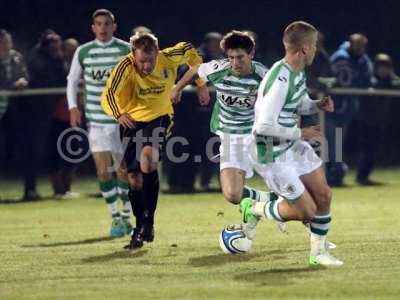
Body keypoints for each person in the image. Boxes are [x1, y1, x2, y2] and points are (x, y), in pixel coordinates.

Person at [240, 21, 343, 266]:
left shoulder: (297, 71)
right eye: (315, 45)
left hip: (290, 145)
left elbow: (299, 103)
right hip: (271, 153)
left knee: (324, 195)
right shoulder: (280, 79)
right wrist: (301, 133)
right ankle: (256, 208)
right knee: (305, 211)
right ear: (305, 48)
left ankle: (318, 254)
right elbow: (262, 127)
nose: (317, 49)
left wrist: (316, 105)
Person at [101, 31, 207, 249]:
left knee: (148, 158)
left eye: (150, 61)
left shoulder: (167, 57)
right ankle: (139, 228)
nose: (147, 66)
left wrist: (200, 84)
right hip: (130, 120)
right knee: (134, 179)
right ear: (133, 55)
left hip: (159, 116)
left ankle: (148, 221)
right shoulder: (125, 66)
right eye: (142, 61)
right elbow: (109, 94)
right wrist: (118, 114)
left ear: (157, 53)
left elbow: (190, 50)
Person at [172, 31, 276, 236]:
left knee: (285, 187)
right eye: (231, 57)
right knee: (232, 195)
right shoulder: (219, 69)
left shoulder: (265, 76)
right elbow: (195, 70)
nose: (235, 62)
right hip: (230, 137)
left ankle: (309, 220)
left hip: (260, 137)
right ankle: (258, 205)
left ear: (251, 54)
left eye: (240, 57)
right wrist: (178, 88)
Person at [67, 9, 132, 237]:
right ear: (93, 28)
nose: (103, 28)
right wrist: (73, 107)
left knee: (123, 170)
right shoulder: (84, 51)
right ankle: (116, 218)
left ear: (114, 26)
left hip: (121, 120)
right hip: (96, 120)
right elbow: (72, 80)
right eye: (98, 24)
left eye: (107, 23)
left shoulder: (125, 50)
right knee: (103, 171)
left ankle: (125, 213)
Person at [326, 33, 373, 186]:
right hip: (331, 109)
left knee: (337, 145)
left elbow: (367, 79)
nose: (360, 49)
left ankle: (334, 175)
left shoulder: (363, 60)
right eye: (358, 46)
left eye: (362, 46)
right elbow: (345, 81)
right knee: (333, 146)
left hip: (345, 111)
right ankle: (336, 172)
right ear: (351, 44)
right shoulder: (341, 57)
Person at [356, 53, 400, 185]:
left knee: (374, 150)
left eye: (386, 66)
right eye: (381, 66)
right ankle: (361, 176)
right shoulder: (370, 80)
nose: (383, 69)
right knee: (367, 149)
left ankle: (365, 176)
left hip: (381, 120)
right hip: (367, 121)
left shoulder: (391, 81)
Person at [48, 38, 80, 198]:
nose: (73, 52)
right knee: (56, 152)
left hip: (74, 117)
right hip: (57, 116)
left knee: (73, 152)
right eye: (69, 49)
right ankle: (57, 189)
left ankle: (67, 188)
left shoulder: (81, 65)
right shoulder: (57, 65)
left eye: (75, 49)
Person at [0, 29, 29, 175]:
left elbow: (25, 75)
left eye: (8, 42)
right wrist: (11, 85)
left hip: (14, 106)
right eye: (4, 42)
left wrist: (23, 81)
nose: (7, 45)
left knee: (16, 143)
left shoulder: (17, 57)